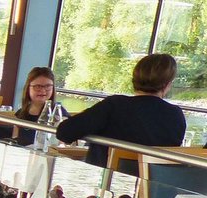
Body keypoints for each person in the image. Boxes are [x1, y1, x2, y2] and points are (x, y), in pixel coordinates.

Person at [56, 53, 186, 170]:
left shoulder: (115, 105)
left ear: (134, 79)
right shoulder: (176, 116)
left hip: (104, 181)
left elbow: (64, 133)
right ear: (167, 84)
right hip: (149, 186)